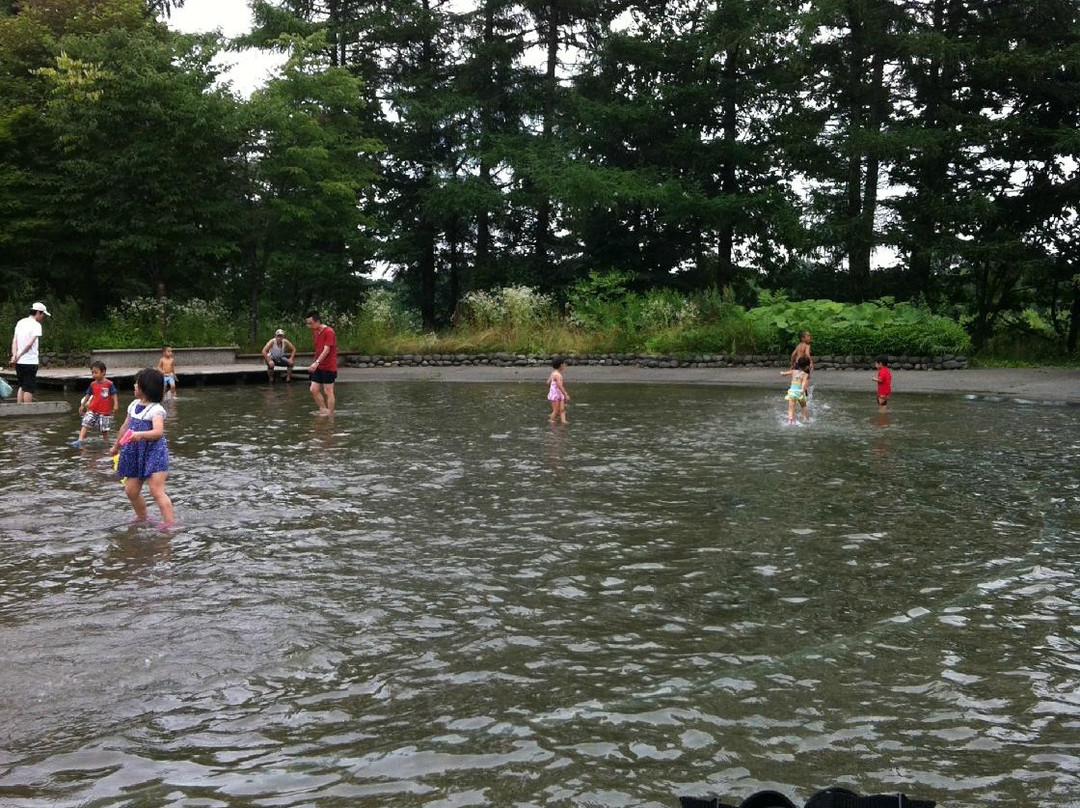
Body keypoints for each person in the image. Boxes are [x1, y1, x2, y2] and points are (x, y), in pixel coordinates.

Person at [110, 368, 174, 527]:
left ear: (145, 388)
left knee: (156, 491)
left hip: (155, 454)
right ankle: (143, 516)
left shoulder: (156, 410)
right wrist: (116, 446)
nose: (134, 386)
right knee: (130, 490)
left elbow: (158, 432)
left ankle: (170, 523)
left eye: (137, 384)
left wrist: (140, 434)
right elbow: (125, 427)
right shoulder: (133, 405)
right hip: (136, 454)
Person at [9, 301, 49, 403]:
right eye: (43, 314)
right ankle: (27, 411)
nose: (43, 317)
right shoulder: (36, 325)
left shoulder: (20, 322)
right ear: (38, 313)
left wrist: (15, 356)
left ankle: (19, 408)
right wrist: (19, 355)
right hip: (30, 362)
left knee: (21, 386)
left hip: (19, 362)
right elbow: (29, 344)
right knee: (29, 388)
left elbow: (15, 340)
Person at [72, 361, 118, 447]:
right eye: (92, 373)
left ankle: (106, 442)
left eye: (96, 372)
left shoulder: (109, 384)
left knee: (104, 429)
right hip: (92, 409)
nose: (94, 375)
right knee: (86, 422)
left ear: (103, 372)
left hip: (104, 411)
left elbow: (114, 395)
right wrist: (82, 405)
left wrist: (115, 404)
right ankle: (80, 440)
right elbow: (88, 395)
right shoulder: (92, 384)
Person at [305, 311, 337, 415]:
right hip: (318, 365)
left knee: (328, 391)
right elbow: (318, 349)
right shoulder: (315, 332)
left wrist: (316, 362)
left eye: (311, 323)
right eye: (307, 323)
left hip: (328, 366)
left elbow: (326, 350)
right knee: (313, 389)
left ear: (317, 321)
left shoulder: (329, 331)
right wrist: (315, 362)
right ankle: (323, 410)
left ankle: (331, 414)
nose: (309, 326)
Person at [781, 356, 811, 424]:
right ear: (807, 366)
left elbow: (784, 374)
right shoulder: (805, 374)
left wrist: (782, 373)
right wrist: (802, 390)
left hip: (792, 392)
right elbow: (804, 383)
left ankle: (790, 420)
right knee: (803, 406)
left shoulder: (793, 371)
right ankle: (804, 418)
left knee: (791, 408)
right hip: (800, 393)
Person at [546, 357, 570, 424]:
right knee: (556, 410)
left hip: (558, 394)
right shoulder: (558, 375)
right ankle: (551, 421)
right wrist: (566, 394)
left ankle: (563, 421)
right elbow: (559, 385)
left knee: (562, 409)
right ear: (561, 365)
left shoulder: (553, 373)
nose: (565, 366)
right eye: (564, 365)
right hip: (555, 395)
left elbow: (548, 382)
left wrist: (552, 386)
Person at [790, 330, 814, 395]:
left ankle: (796, 393)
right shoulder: (807, 346)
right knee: (805, 379)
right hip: (804, 364)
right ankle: (804, 395)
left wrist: (792, 364)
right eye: (808, 336)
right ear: (802, 338)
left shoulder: (798, 346)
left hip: (797, 364)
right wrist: (811, 363)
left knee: (798, 379)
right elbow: (807, 354)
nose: (810, 337)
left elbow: (793, 355)